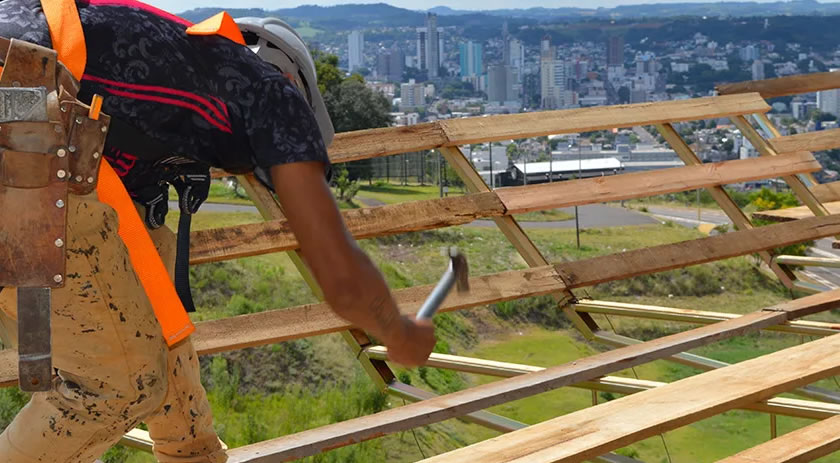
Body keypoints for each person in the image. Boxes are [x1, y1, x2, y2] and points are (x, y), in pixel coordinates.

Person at [0, 0, 436, 461]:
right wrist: (398, 331)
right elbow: (339, 270)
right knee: (116, 388)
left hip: (28, 120)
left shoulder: (175, 61)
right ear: (292, 84)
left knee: (152, 294)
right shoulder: (270, 95)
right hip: (22, 127)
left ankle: (193, 451)